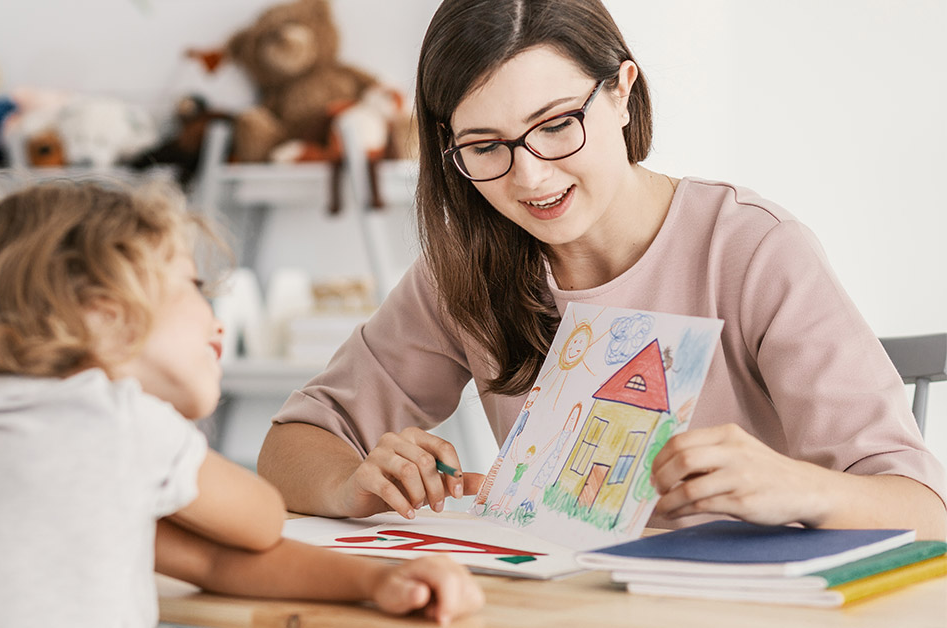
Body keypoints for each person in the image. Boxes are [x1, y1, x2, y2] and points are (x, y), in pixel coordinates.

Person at [257, 0, 947, 539]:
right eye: (485, 145)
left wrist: (803, 488)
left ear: (621, 91)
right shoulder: (467, 269)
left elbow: (923, 509)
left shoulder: (752, 250)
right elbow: (293, 445)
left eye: (556, 124)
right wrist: (352, 482)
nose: (530, 177)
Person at [0, 180, 484, 627]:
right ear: (102, 315)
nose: (213, 315)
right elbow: (260, 521)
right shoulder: (120, 423)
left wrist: (379, 581)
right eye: (192, 287)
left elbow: (208, 562)